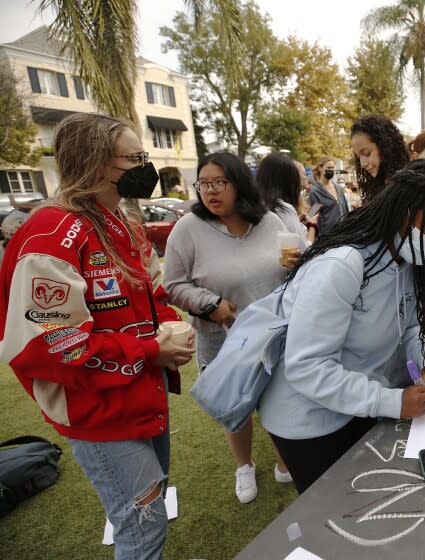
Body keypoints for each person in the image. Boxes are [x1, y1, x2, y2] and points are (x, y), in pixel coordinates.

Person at [0, 113, 195, 559]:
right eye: (136, 157)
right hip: (98, 412)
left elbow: (153, 291)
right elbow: (50, 345)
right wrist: (150, 349)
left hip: (141, 395)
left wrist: (166, 329)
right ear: (96, 163)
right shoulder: (50, 236)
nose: (145, 165)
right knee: (142, 530)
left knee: (150, 513)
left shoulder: (118, 221)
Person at [256, 158, 425, 494]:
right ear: (402, 208)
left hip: (355, 405)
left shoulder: (403, 260)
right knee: (336, 511)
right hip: (309, 422)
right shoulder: (342, 266)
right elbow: (307, 368)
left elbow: (409, 326)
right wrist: (392, 402)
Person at [164, 152, 294, 504]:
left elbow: (294, 261)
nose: (210, 191)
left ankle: (284, 462)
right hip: (224, 340)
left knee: (278, 400)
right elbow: (172, 284)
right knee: (236, 409)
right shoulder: (188, 227)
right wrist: (210, 303)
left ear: (239, 184)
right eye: (203, 183)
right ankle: (244, 465)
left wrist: (297, 262)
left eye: (219, 182)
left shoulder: (269, 221)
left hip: (274, 336)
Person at [257, 152, 319, 247]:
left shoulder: (257, 205)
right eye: (303, 174)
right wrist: (313, 226)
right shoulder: (282, 208)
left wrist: (296, 222)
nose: (306, 177)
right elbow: (303, 250)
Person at [350, 114, 409, 203]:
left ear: (384, 146)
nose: (362, 164)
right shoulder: (377, 187)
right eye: (358, 157)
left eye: (367, 153)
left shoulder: (408, 187)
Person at [308, 156, 348, 236]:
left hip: (343, 234)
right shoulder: (316, 191)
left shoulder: (339, 188)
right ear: (320, 168)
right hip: (327, 237)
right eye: (329, 167)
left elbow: (346, 210)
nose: (331, 170)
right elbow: (313, 215)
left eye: (333, 168)